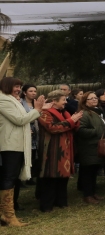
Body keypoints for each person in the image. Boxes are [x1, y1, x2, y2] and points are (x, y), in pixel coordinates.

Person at [0, 77, 48, 226]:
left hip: (18, 145)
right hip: (9, 145)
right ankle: (7, 215)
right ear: (7, 86)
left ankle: (7, 213)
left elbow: (23, 119)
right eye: (15, 86)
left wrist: (35, 111)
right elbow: (20, 120)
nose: (18, 89)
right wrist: (37, 110)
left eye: (19, 86)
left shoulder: (12, 99)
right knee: (9, 178)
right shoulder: (3, 100)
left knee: (12, 178)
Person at [36, 90, 82, 212]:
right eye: (63, 100)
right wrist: (72, 121)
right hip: (51, 150)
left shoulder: (64, 112)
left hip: (64, 149)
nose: (65, 102)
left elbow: (72, 126)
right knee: (50, 178)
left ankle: (61, 201)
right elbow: (52, 128)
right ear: (54, 101)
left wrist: (74, 120)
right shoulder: (45, 113)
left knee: (62, 178)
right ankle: (47, 205)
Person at [75, 92, 105, 205]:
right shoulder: (84, 114)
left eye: (95, 98)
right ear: (85, 101)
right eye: (91, 98)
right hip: (88, 147)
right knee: (87, 173)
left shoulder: (97, 112)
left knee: (93, 172)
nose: (94, 100)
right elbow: (81, 130)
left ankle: (93, 193)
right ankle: (87, 195)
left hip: (96, 147)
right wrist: (97, 132)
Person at [20, 84, 40, 186]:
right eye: (31, 91)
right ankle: (21, 178)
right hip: (25, 131)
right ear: (24, 92)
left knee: (33, 154)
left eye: (35, 91)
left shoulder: (36, 103)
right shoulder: (20, 103)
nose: (33, 93)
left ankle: (30, 177)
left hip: (35, 133)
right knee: (24, 156)